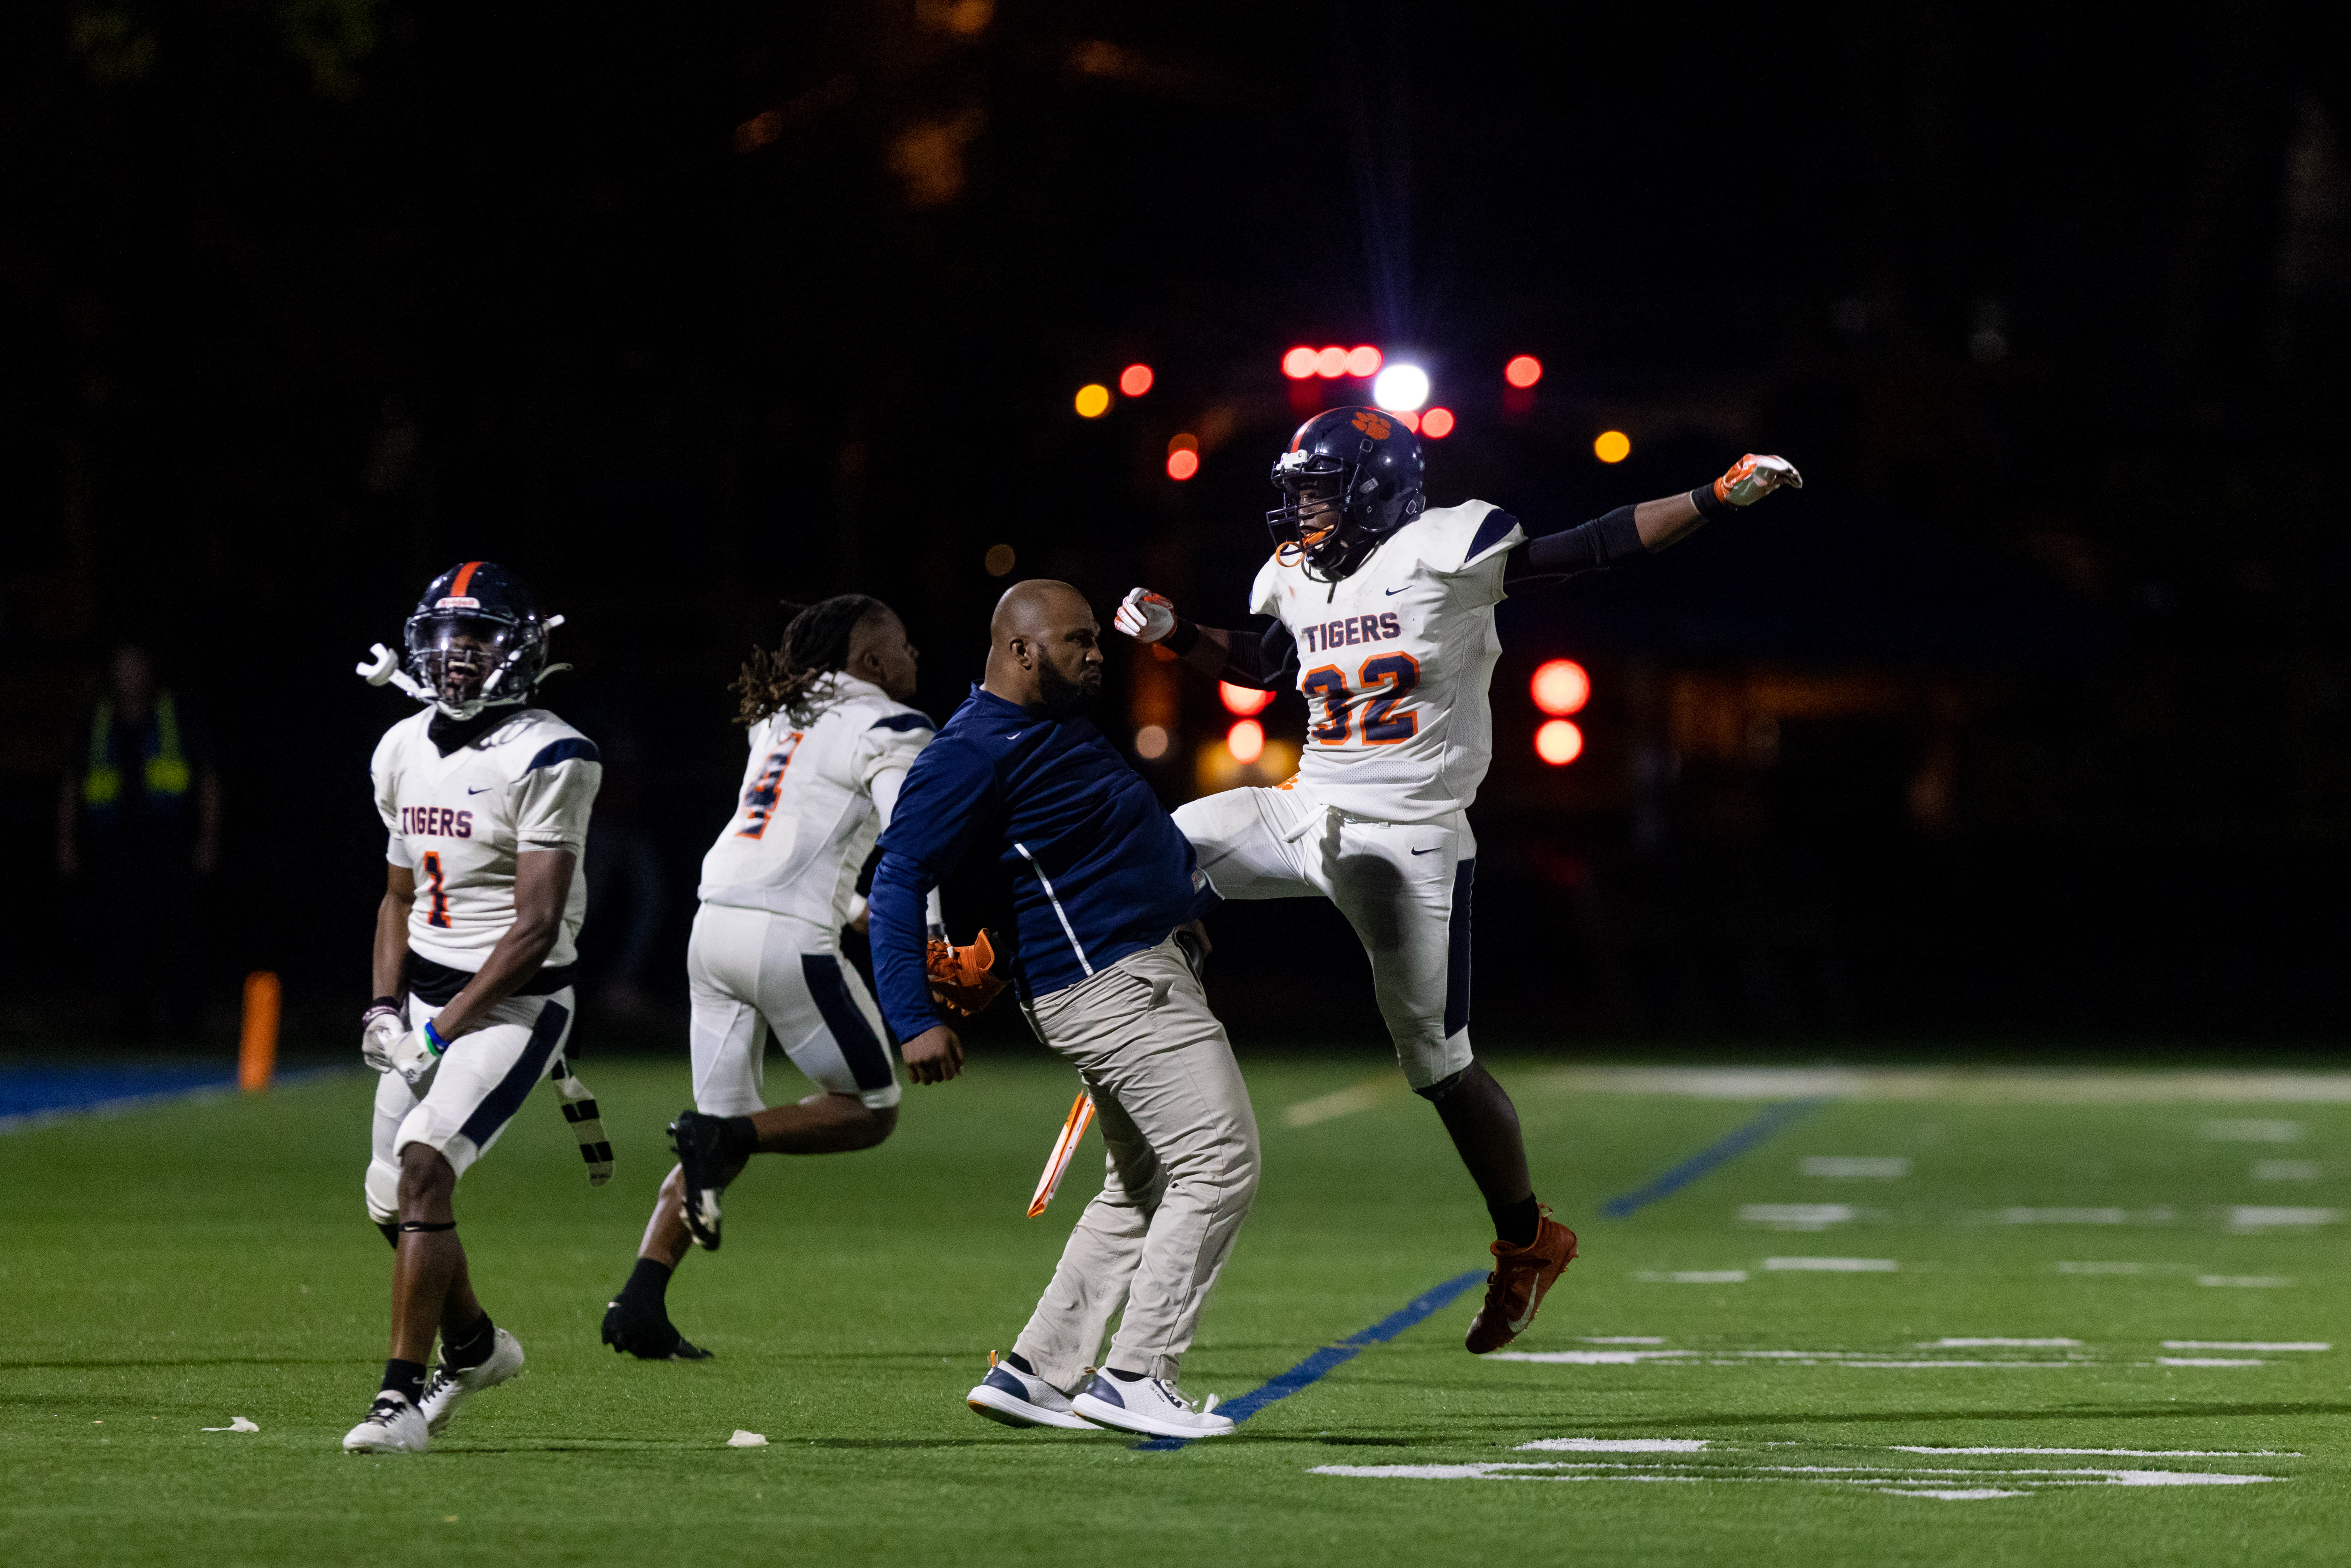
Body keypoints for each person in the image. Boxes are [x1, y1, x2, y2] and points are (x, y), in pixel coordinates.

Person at [1113, 409, 1802, 1354]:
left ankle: (1526, 1242)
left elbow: (1592, 544)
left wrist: (1715, 497)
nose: (1300, 509)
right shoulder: (1293, 576)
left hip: (1412, 835)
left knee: (1437, 1065)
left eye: (1318, 489)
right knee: (1153, 845)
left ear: (1371, 488)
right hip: (1310, 806)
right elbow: (1271, 664)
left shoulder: (1447, 545)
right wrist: (1179, 633)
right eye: (1298, 490)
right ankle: (1086, 982)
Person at [866, 580, 1256, 1440]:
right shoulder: (970, 749)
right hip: (1113, 987)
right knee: (1219, 1160)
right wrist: (911, 1017)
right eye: (1077, 640)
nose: (1096, 653)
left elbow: (1076, 846)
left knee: (1141, 1184)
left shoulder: (1043, 725)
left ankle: (1037, 1372)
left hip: (1123, 971)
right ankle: (1136, 1374)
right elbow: (897, 879)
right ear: (1019, 650)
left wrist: (1171, 900)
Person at [600, 595, 933, 1361]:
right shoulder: (894, 726)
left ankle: (640, 1303)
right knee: (871, 1106)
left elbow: (784, 840)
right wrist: (936, 937)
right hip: (788, 943)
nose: (915, 656)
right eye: (905, 643)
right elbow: (914, 845)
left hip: (713, 926)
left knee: (715, 1146)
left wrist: (850, 909)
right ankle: (720, 1135)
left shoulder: (779, 717)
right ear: (873, 662)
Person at [342, 560, 604, 1454]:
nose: (459, 656)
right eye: (448, 637)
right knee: (390, 1200)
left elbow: (532, 930)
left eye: (481, 637)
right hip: (425, 999)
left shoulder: (551, 755)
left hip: (516, 1007)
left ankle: (399, 1401)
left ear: (521, 649)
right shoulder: (400, 747)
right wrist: (386, 1007)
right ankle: (475, 1344)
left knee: (422, 1167)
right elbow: (397, 899)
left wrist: (435, 1033)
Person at [55, 644, 223, 1039]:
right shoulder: (97, 719)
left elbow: (209, 779)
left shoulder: (175, 714)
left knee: (178, 937)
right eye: (122, 669)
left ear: (149, 672)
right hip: (114, 847)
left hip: (169, 846)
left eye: (137, 668)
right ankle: (130, 1022)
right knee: (122, 937)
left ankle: (185, 1024)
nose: (130, 677)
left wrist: (207, 840)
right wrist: (66, 843)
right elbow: (71, 783)